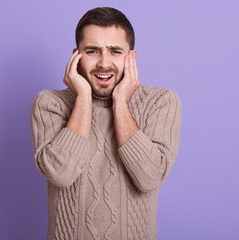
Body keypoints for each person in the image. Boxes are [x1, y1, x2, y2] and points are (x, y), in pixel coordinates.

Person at [30, 7, 182, 240]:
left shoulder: (160, 102)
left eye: (115, 51)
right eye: (92, 50)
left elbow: (149, 178)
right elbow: (60, 174)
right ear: (76, 56)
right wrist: (82, 97)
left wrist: (120, 101)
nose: (103, 62)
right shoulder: (50, 103)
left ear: (131, 56)